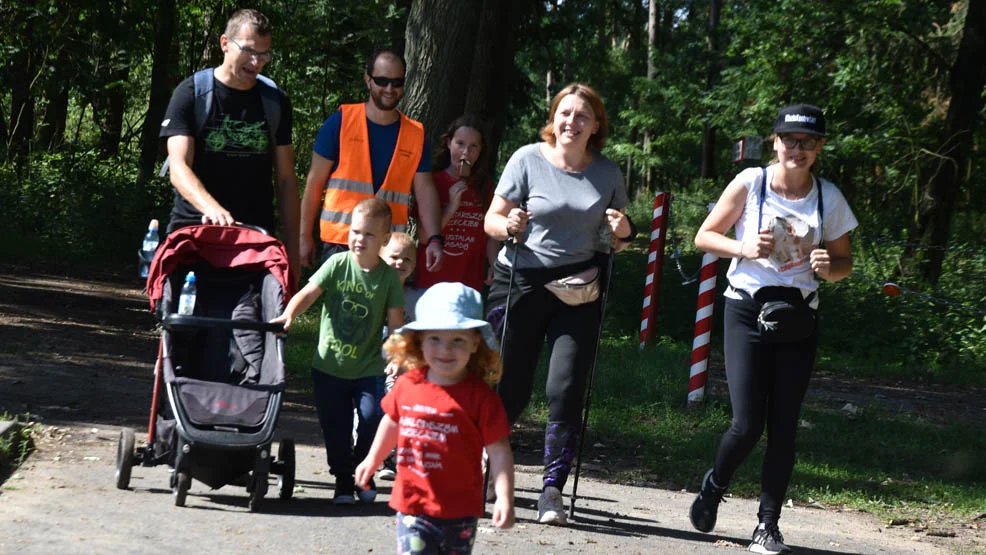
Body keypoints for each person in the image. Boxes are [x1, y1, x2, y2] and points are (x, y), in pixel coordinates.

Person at [689, 104, 857, 555]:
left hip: (799, 317)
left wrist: (828, 266)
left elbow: (844, 264)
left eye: (808, 142)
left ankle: (767, 526)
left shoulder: (829, 197)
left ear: (819, 147)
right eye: (789, 140)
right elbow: (704, 236)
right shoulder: (751, 183)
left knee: (784, 428)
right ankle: (713, 486)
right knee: (747, 424)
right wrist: (744, 246)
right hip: (746, 310)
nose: (797, 150)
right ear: (775, 141)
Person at [483, 83, 633, 526]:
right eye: (564, 113)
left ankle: (552, 490)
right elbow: (493, 221)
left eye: (582, 116)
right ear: (554, 117)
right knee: (509, 386)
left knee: (564, 389)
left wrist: (624, 230)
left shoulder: (607, 173)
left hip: (578, 289)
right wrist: (507, 222)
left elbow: (618, 241)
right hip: (521, 280)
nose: (571, 122)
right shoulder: (526, 159)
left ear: (596, 126)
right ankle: (487, 471)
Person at [355, 282, 515, 553]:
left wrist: (504, 497)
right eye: (435, 339)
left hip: (462, 510)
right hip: (413, 505)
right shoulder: (408, 385)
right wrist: (373, 458)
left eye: (457, 340)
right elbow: (392, 422)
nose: (445, 350)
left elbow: (499, 452)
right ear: (420, 340)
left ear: (475, 343)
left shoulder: (481, 398)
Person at [271, 198, 404, 505]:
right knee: (336, 428)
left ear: (384, 239)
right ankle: (343, 481)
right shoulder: (336, 264)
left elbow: (396, 325)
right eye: (355, 231)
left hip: (369, 367)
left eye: (369, 235)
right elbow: (307, 294)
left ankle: (363, 469)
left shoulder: (388, 279)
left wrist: (397, 356)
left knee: (373, 417)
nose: (359, 239)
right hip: (329, 367)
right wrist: (289, 314)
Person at [159, 8, 299, 284]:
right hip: (193, 235)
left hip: (254, 239)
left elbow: (285, 180)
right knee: (186, 320)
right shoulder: (191, 94)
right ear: (225, 43)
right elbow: (178, 167)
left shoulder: (275, 102)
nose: (256, 62)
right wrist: (211, 208)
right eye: (248, 51)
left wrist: (292, 249)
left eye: (264, 54)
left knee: (251, 324)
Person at [300, 47, 444, 275]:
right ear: (368, 80)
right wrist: (304, 236)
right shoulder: (339, 123)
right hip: (342, 242)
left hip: (390, 248)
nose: (389, 89)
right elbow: (314, 182)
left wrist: (435, 238)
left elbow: (425, 190)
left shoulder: (415, 134)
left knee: (384, 311)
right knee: (342, 310)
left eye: (396, 82)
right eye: (382, 81)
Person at [413, 115, 500, 293]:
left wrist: (494, 264)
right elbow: (423, 236)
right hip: (431, 284)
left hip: (468, 286)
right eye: (460, 143)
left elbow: (492, 235)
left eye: (473, 146)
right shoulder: (432, 183)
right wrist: (451, 207)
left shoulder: (487, 189)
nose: (465, 152)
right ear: (448, 143)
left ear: (481, 150)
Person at [376, 231, 417, 481]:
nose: (400, 263)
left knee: (395, 406)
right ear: (380, 256)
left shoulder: (414, 299)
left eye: (407, 260)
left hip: (400, 366)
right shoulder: (372, 290)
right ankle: (367, 454)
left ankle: (390, 458)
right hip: (369, 361)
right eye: (394, 257)